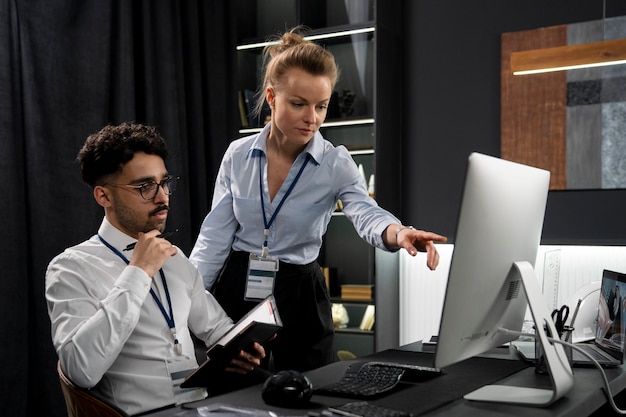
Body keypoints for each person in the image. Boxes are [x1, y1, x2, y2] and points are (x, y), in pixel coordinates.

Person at [189, 28, 447, 373]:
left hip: (302, 293)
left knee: (310, 390)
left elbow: (364, 211)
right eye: (298, 104)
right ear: (271, 97)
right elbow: (215, 236)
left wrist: (398, 232)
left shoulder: (335, 162)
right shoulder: (238, 155)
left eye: (321, 106)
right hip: (240, 286)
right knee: (236, 392)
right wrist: (185, 297)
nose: (312, 118)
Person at [45, 122, 266, 416]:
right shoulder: (70, 268)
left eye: (164, 182)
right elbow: (80, 370)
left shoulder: (175, 258)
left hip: (201, 407)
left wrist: (241, 348)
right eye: (145, 186)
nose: (162, 197)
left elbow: (216, 328)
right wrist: (138, 272)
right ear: (104, 197)